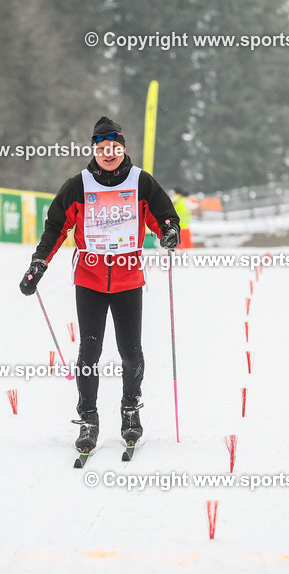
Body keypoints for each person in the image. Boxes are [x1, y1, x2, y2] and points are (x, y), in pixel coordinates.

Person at [19, 117, 180, 453]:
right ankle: (88, 418)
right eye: (102, 148)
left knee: (130, 351)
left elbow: (163, 214)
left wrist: (169, 230)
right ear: (95, 149)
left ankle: (130, 411)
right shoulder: (78, 186)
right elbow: (56, 228)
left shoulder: (141, 183)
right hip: (90, 281)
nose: (109, 153)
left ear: (122, 148)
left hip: (128, 280)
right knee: (89, 351)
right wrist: (39, 263)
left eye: (115, 148)